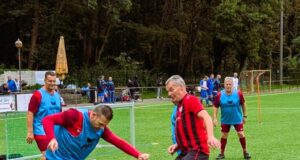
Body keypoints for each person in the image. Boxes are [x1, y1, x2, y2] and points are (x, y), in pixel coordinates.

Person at [42, 105, 149, 160]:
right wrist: (52, 138)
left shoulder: (101, 129)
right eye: (101, 123)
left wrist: (138, 154)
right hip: (56, 157)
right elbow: (47, 120)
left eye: (105, 125)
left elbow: (118, 142)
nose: (102, 127)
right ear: (93, 115)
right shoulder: (74, 116)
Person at [165, 75, 220, 160]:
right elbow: (186, 131)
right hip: (186, 151)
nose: (169, 94)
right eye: (168, 91)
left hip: (198, 151)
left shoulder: (190, 100)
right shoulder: (179, 106)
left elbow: (206, 117)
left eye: (171, 90)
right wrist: (177, 145)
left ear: (182, 88)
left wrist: (211, 136)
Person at [26, 71, 62, 160]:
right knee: (48, 155)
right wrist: (30, 132)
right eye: (50, 81)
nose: (52, 83)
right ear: (45, 80)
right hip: (41, 130)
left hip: (54, 131)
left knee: (51, 156)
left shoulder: (57, 95)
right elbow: (30, 113)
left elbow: (60, 114)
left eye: (54, 81)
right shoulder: (37, 95)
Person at [213, 77, 251, 160]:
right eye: (226, 84)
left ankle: (245, 152)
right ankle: (222, 153)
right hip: (225, 120)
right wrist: (215, 118)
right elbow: (215, 106)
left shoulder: (238, 93)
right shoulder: (219, 95)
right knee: (224, 135)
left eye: (230, 84)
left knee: (241, 134)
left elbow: (244, 104)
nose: (228, 86)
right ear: (224, 85)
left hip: (237, 119)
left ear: (233, 85)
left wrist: (245, 116)